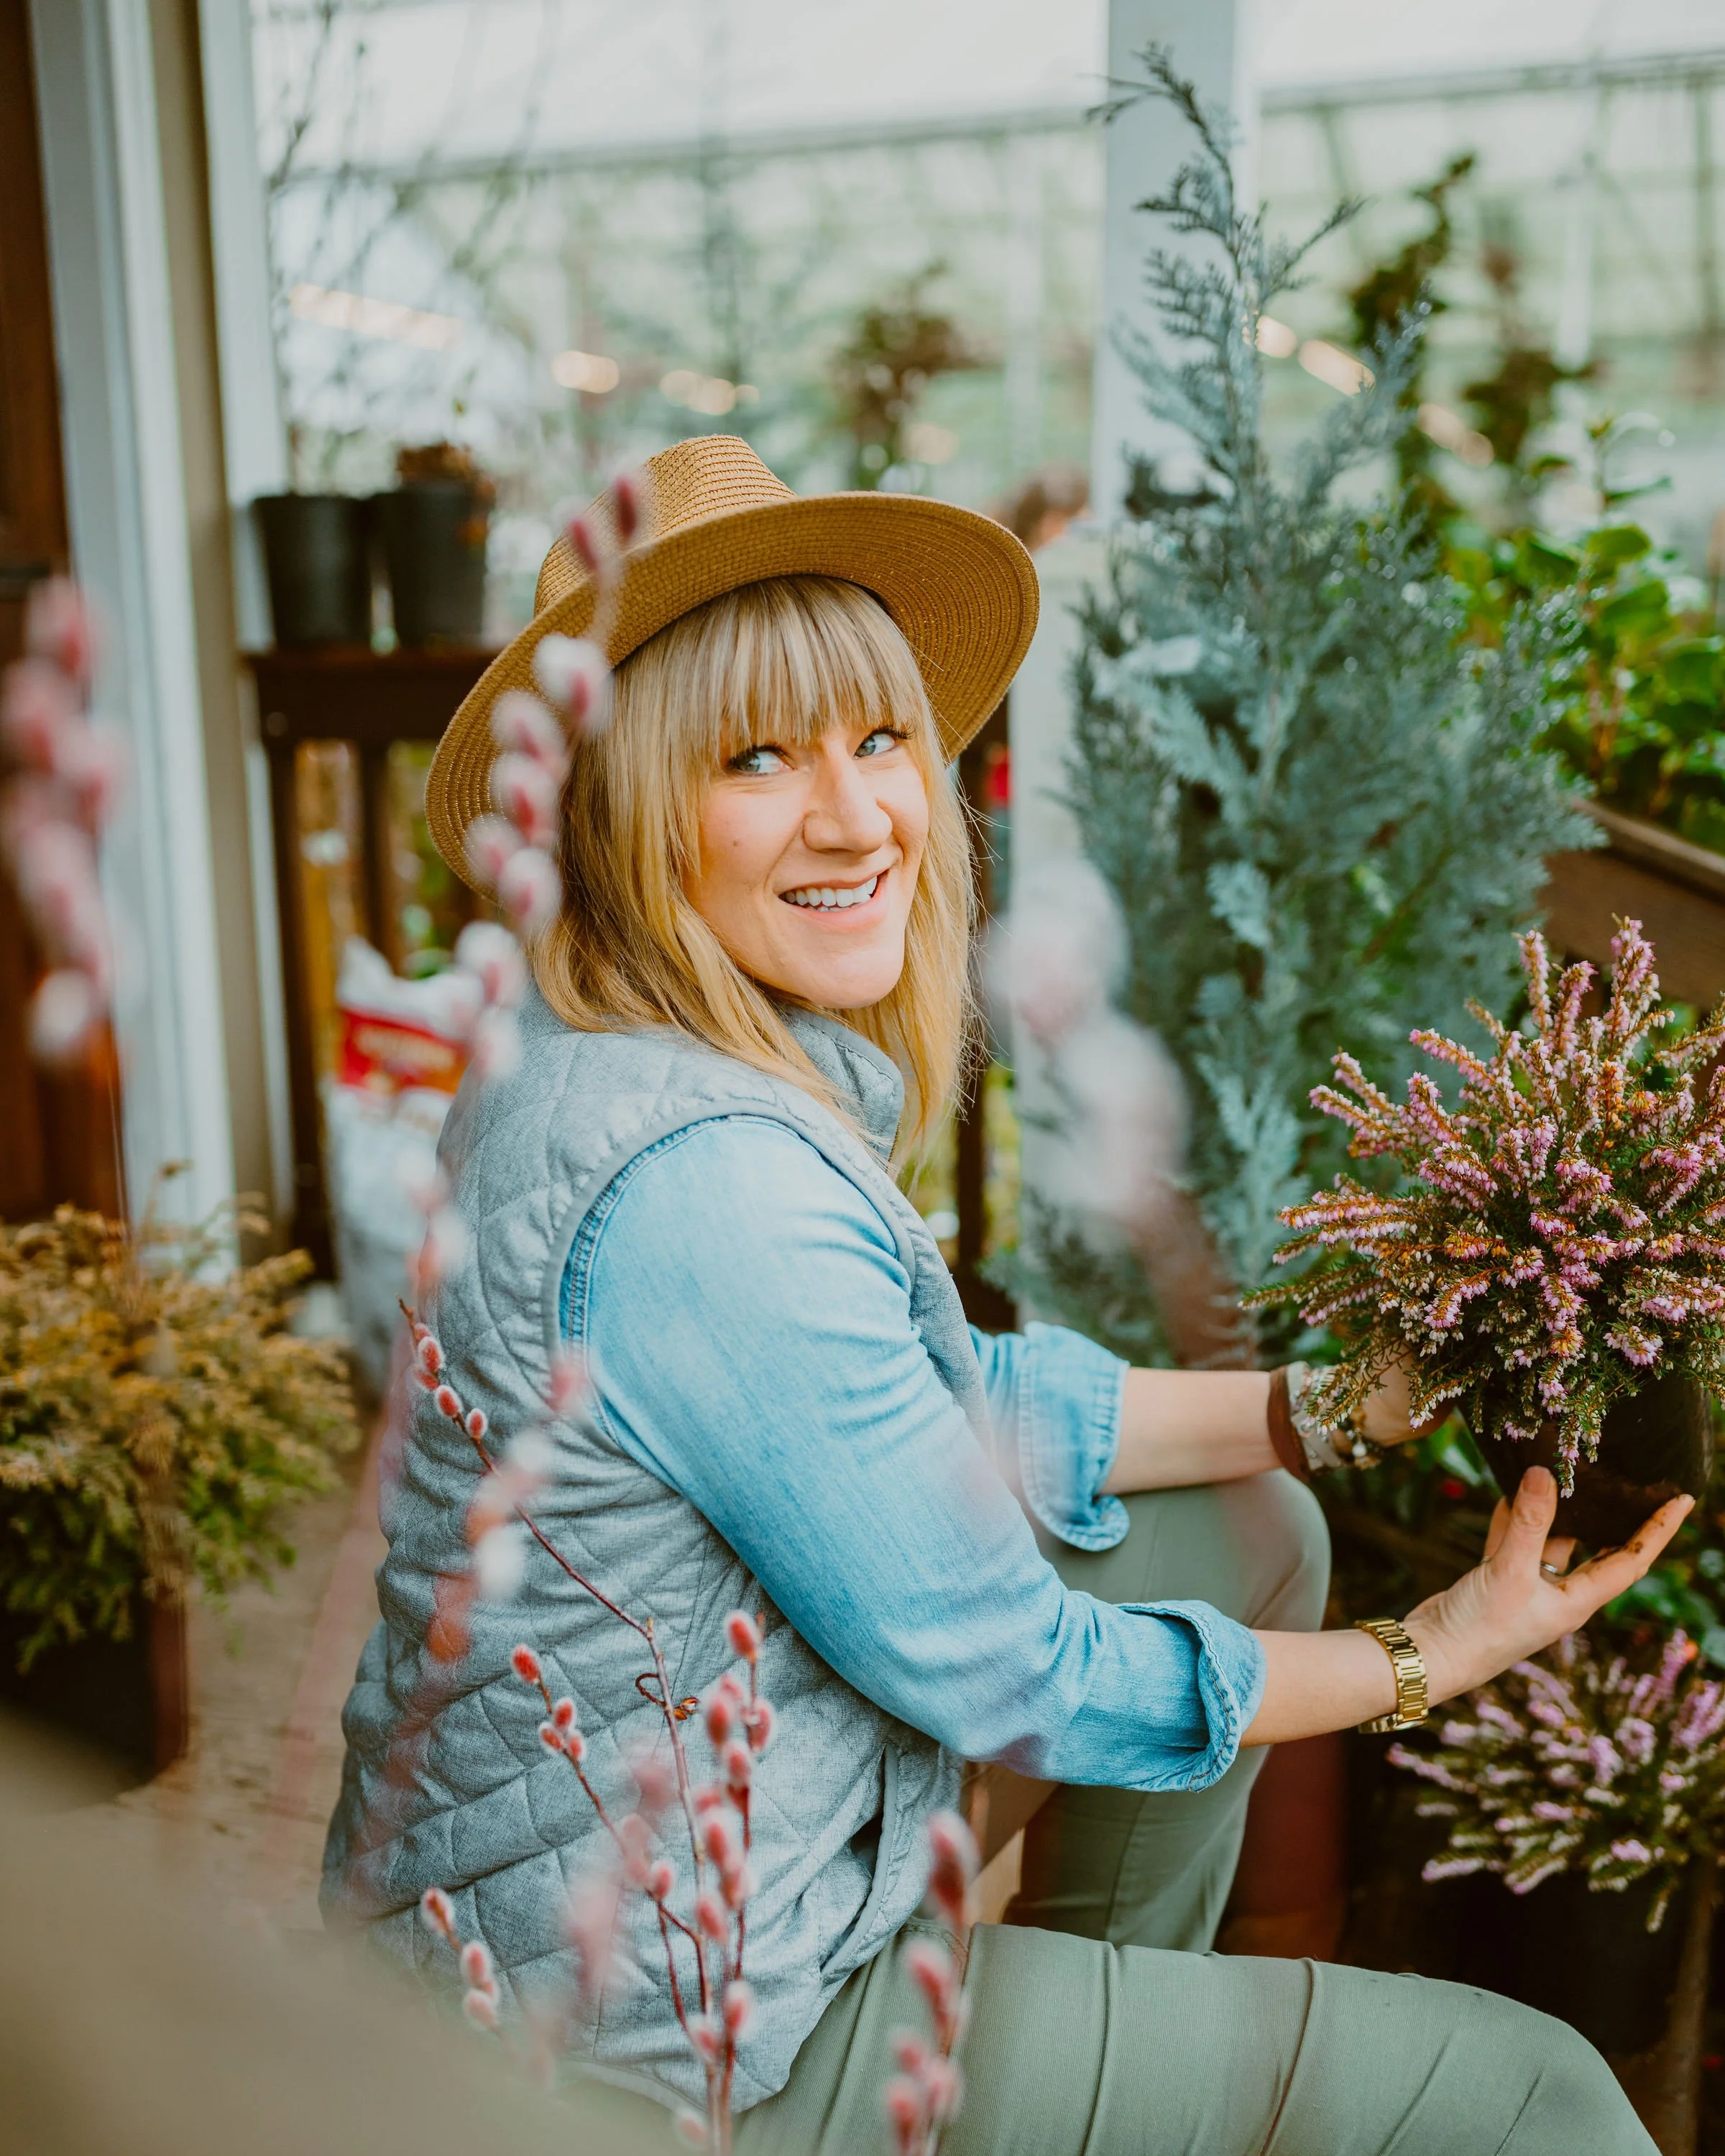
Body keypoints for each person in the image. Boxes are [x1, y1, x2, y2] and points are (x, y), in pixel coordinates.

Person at [324, 436, 1686, 2154]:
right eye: (756, 757)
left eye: (878, 735)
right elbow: (1007, 1668)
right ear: (618, 811)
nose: (858, 814)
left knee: (1249, 1529)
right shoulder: (704, 1188)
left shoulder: (625, 1048)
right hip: (664, 2051)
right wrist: (1433, 1657)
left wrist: (1342, 1405)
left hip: (619, 1911)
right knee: (1542, 2096)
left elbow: (939, 1397)